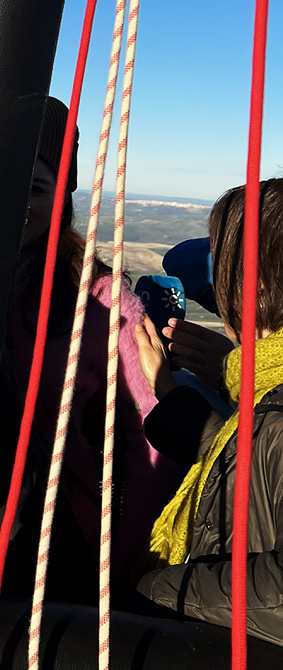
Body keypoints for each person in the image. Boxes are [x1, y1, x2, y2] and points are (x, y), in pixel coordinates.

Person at [0, 97, 180, 597]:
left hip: (55, 542)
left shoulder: (102, 300)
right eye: (1, 180)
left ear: (61, 199)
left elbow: (150, 435)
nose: (15, 200)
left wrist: (119, 560)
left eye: (35, 187)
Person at [134, 178, 283, 646]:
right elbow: (245, 470)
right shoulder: (264, 387)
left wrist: (158, 590)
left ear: (256, 287)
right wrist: (176, 388)